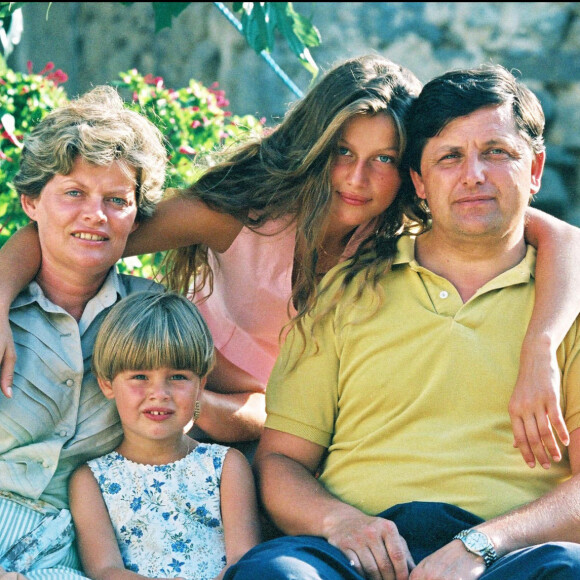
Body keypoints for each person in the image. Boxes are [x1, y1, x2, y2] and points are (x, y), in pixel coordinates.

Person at [0, 55, 579, 467]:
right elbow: (84, 232)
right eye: (342, 152)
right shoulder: (247, 212)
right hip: (172, 401)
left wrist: (540, 351)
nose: (357, 179)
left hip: (282, 427)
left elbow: (566, 241)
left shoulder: (404, 227)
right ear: (315, 145)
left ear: (410, 174)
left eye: (384, 159)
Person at [222, 64, 580, 580]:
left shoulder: (565, 303)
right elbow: (280, 463)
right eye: (449, 157)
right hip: (356, 553)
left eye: (496, 153)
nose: (473, 175)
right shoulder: (348, 290)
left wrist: (482, 544)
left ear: (535, 168)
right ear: (419, 181)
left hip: (510, 556)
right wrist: (341, 522)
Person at [0, 85, 167, 579]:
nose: (96, 214)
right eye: (74, 193)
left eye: (117, 200)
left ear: (137, 215)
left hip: (64, 548)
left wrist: (181, 399)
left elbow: (252, 406)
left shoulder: (151, 315)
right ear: (31, 203)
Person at [69, 291, 260, 580]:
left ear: (201, 384)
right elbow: (105, 570)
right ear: (107, 384)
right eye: (140, 377)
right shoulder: (91, 480)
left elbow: (242, 561)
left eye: (178, 377)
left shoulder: (226, 467)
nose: (159, 393)